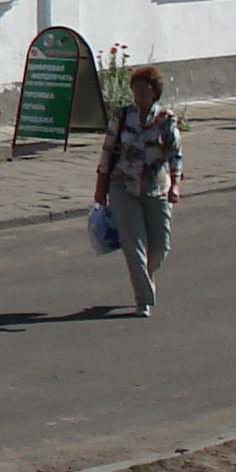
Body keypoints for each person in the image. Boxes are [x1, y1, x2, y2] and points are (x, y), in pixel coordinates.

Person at [93, 64, 182, 315]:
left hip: (156, 187)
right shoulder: (121, 117)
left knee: (160, 245)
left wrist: (175, 185)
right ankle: (143, 299)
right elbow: (108, 151)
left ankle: (146, 277)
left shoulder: (166, 119)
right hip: (122, 186)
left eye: (144, 89)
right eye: (135, 89)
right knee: (134, 246)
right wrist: (100, 187)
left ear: (155, 91)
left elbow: (175, 155)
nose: (139, 93)